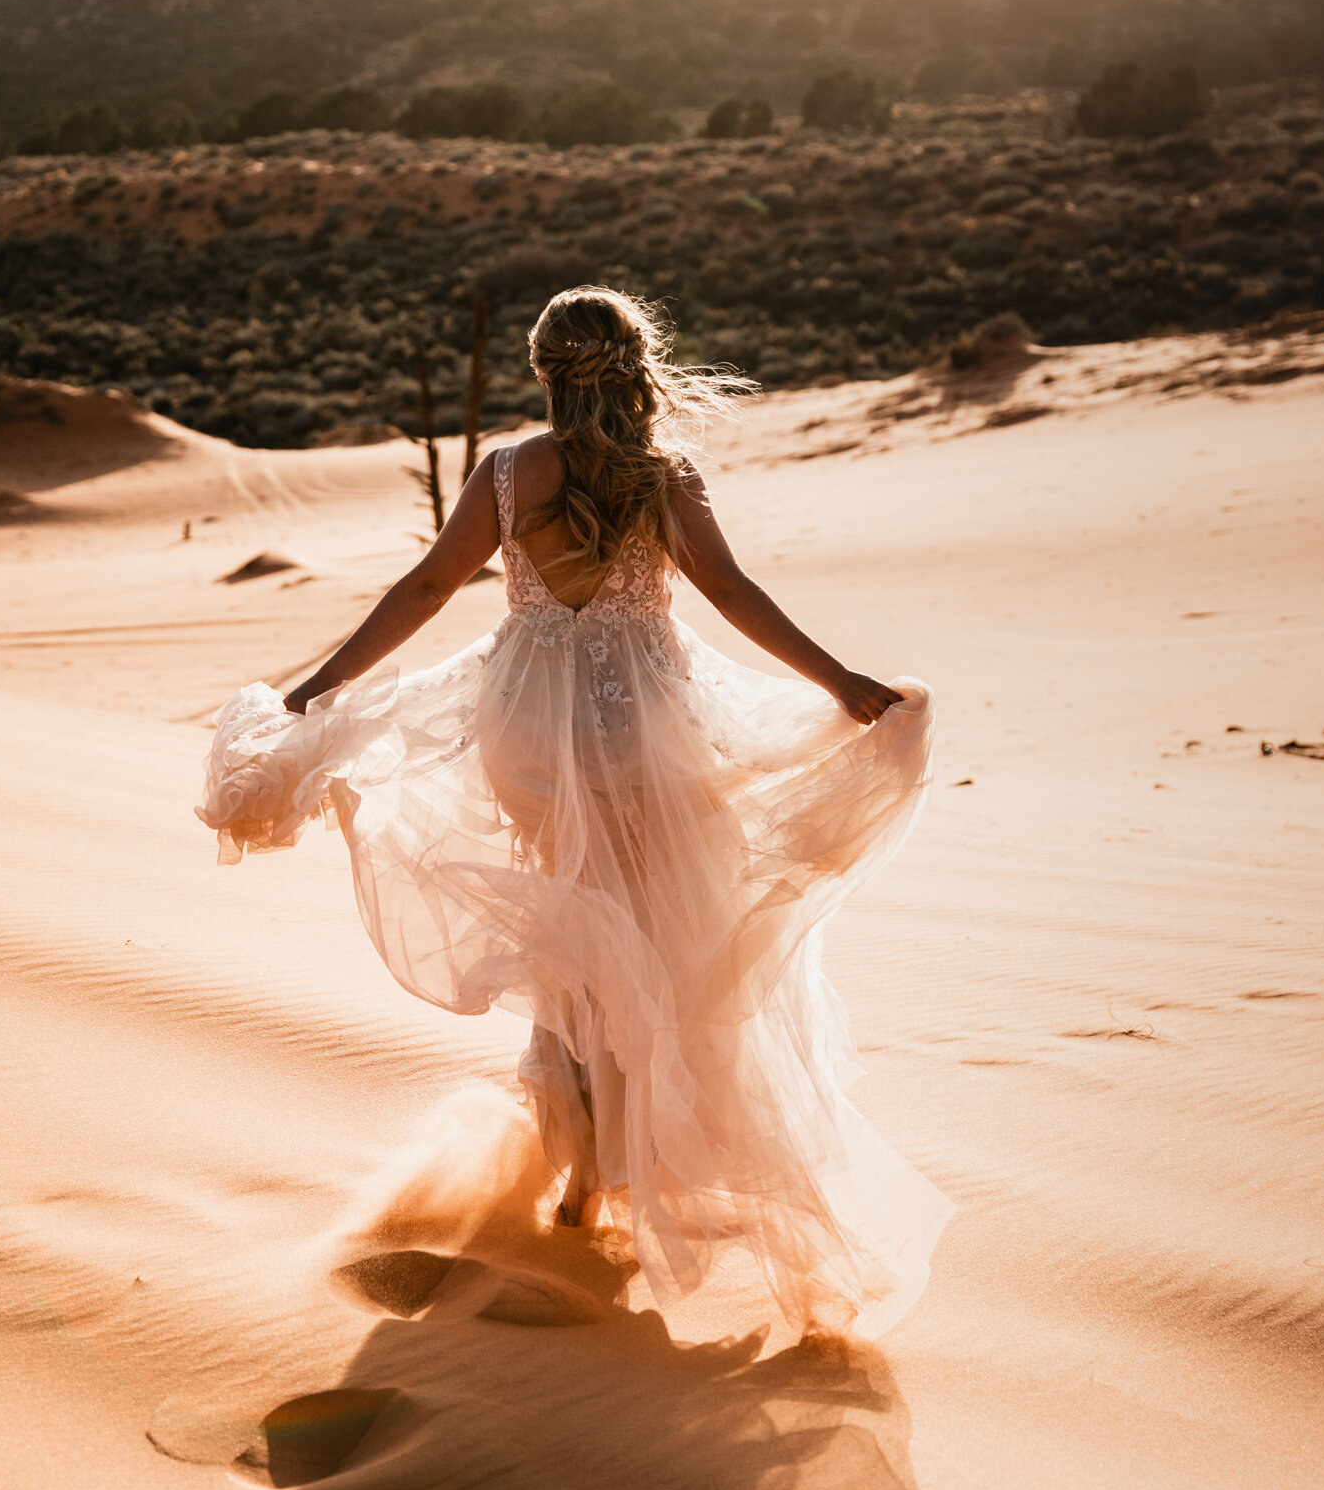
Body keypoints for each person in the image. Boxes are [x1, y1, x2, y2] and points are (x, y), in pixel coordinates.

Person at [199, 287, 949, 1334]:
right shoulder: (665, 476)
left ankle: (585, 1182)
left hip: (528, 736)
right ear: (637, 368)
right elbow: (730, 593)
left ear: (544, 371)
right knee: (666, 943)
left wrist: (318, 683)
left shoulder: (509, 473)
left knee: (576, 942)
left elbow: (425, 588)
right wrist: (840, 681)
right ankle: (646, 1160)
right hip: (652, 727)